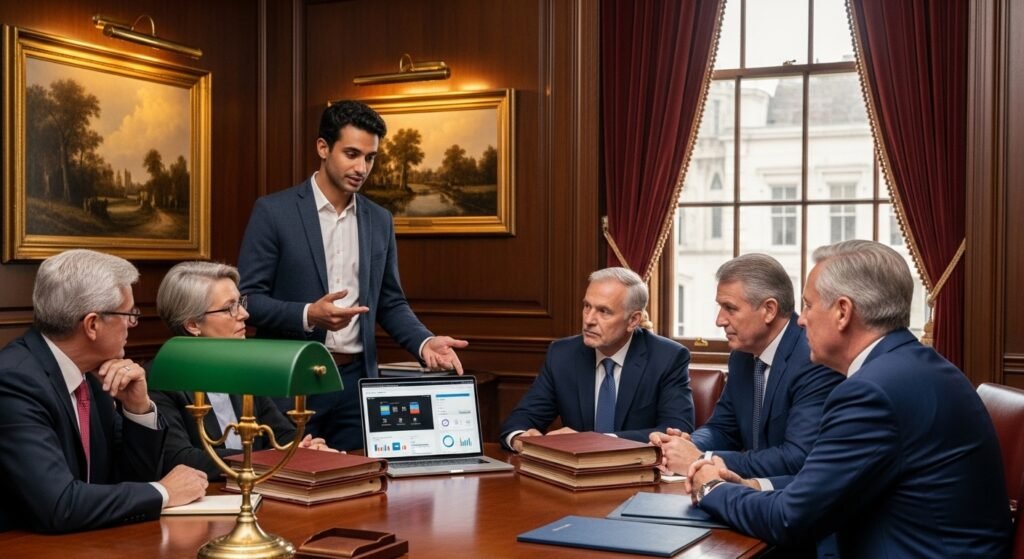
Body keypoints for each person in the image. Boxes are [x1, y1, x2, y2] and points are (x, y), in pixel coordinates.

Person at [687, 240, 1012, 558]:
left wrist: (711, 488)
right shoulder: (912, 366)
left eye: (809, 305)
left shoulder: (872, 392)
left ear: (843, 312)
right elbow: (831, 483)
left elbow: (790, 519)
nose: (801, 319)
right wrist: (752, 486)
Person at [238, 100, 468, 450]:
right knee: (292, 479)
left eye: (370, 158)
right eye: (351, 154)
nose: (362, 167)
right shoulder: (273, 212)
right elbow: (247, 300)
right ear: (323, 148)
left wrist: (425, 342)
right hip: (291, 382)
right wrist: (308, 315)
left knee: (362, 477)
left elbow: (390, 302)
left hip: (356, 383)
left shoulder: (380, 220)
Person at [0, 249, 207, 533]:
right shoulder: (15, 381)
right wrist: (163, 492)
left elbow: (131, 479)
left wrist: (137, 409)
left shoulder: (92, 372)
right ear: (92, 324)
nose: (132, 324)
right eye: (128, 314)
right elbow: (60, 505)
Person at [650, 254, 842, 479]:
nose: (719, 320)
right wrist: (685, 445)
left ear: (769, 310)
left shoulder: (813, 358)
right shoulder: (741, 356)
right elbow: (722, 429)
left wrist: (700, 458)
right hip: (744, 487)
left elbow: (797, 457)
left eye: (730, 308)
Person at [150, 261, 336, 481]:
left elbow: (281, 434)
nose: (245, 314)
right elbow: (184, 459)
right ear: (193, 325)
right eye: (230, 308)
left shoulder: (243, 366)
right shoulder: (161, 377)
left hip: (257, 487)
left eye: (240, 302)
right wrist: (271, 458)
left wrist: (304, 448)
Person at [500, 267, 694, 450]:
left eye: (603, 311)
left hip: (636, 469)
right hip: (575, 471)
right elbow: (520, 421)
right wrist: (520, 439)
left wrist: (595, 442)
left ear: (633, 320)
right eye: (587, 306)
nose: (588, 320)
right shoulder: (562, 354)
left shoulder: (667, 357)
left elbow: (677, 429)